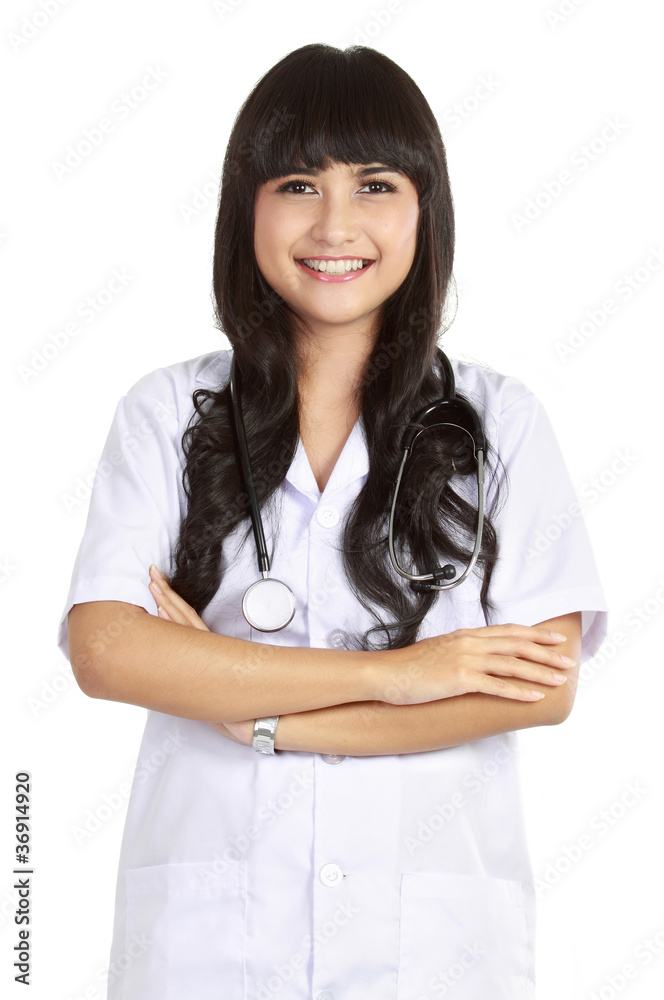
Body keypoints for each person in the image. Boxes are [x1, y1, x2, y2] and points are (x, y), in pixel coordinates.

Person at [57, 43, 608, 1000]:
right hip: (212, 951)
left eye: (377, 185)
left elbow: (540, 688)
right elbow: (106, 650)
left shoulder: (501, 421)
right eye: (299, 184)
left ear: (425, 211)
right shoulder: (167, 411)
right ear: (247, 208)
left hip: (431, 952)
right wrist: (400, 677)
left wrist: (256, 712)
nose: (336, 225)